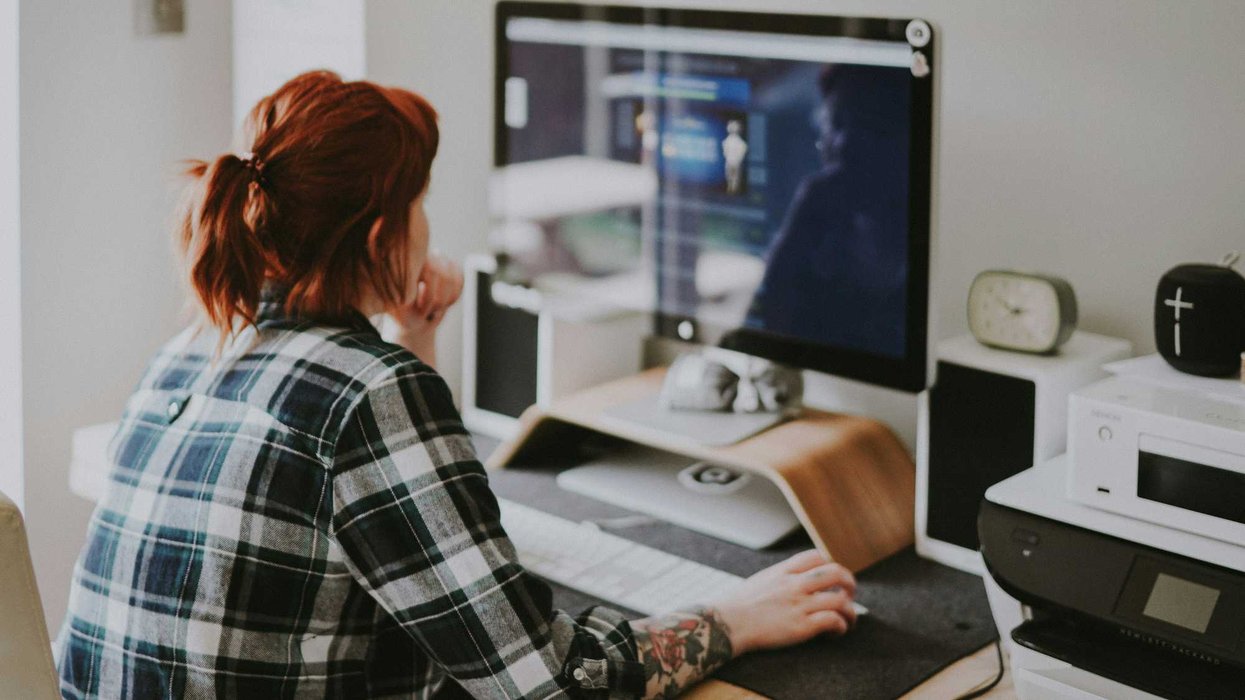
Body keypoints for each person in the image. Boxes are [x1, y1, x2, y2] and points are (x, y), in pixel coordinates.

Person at [55, 71, 859, 699]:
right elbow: (546, 682)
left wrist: (415, 338)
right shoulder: (368, 393)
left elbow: (396, 525)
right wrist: (736, 619)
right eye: (421, 204)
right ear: (383, 235)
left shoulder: (194, 346)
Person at [747, 64, 911, 358]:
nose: (845, 143)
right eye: (835, 124)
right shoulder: (818, 234)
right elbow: (754, 339)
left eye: (868, 125)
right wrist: (798, 232)